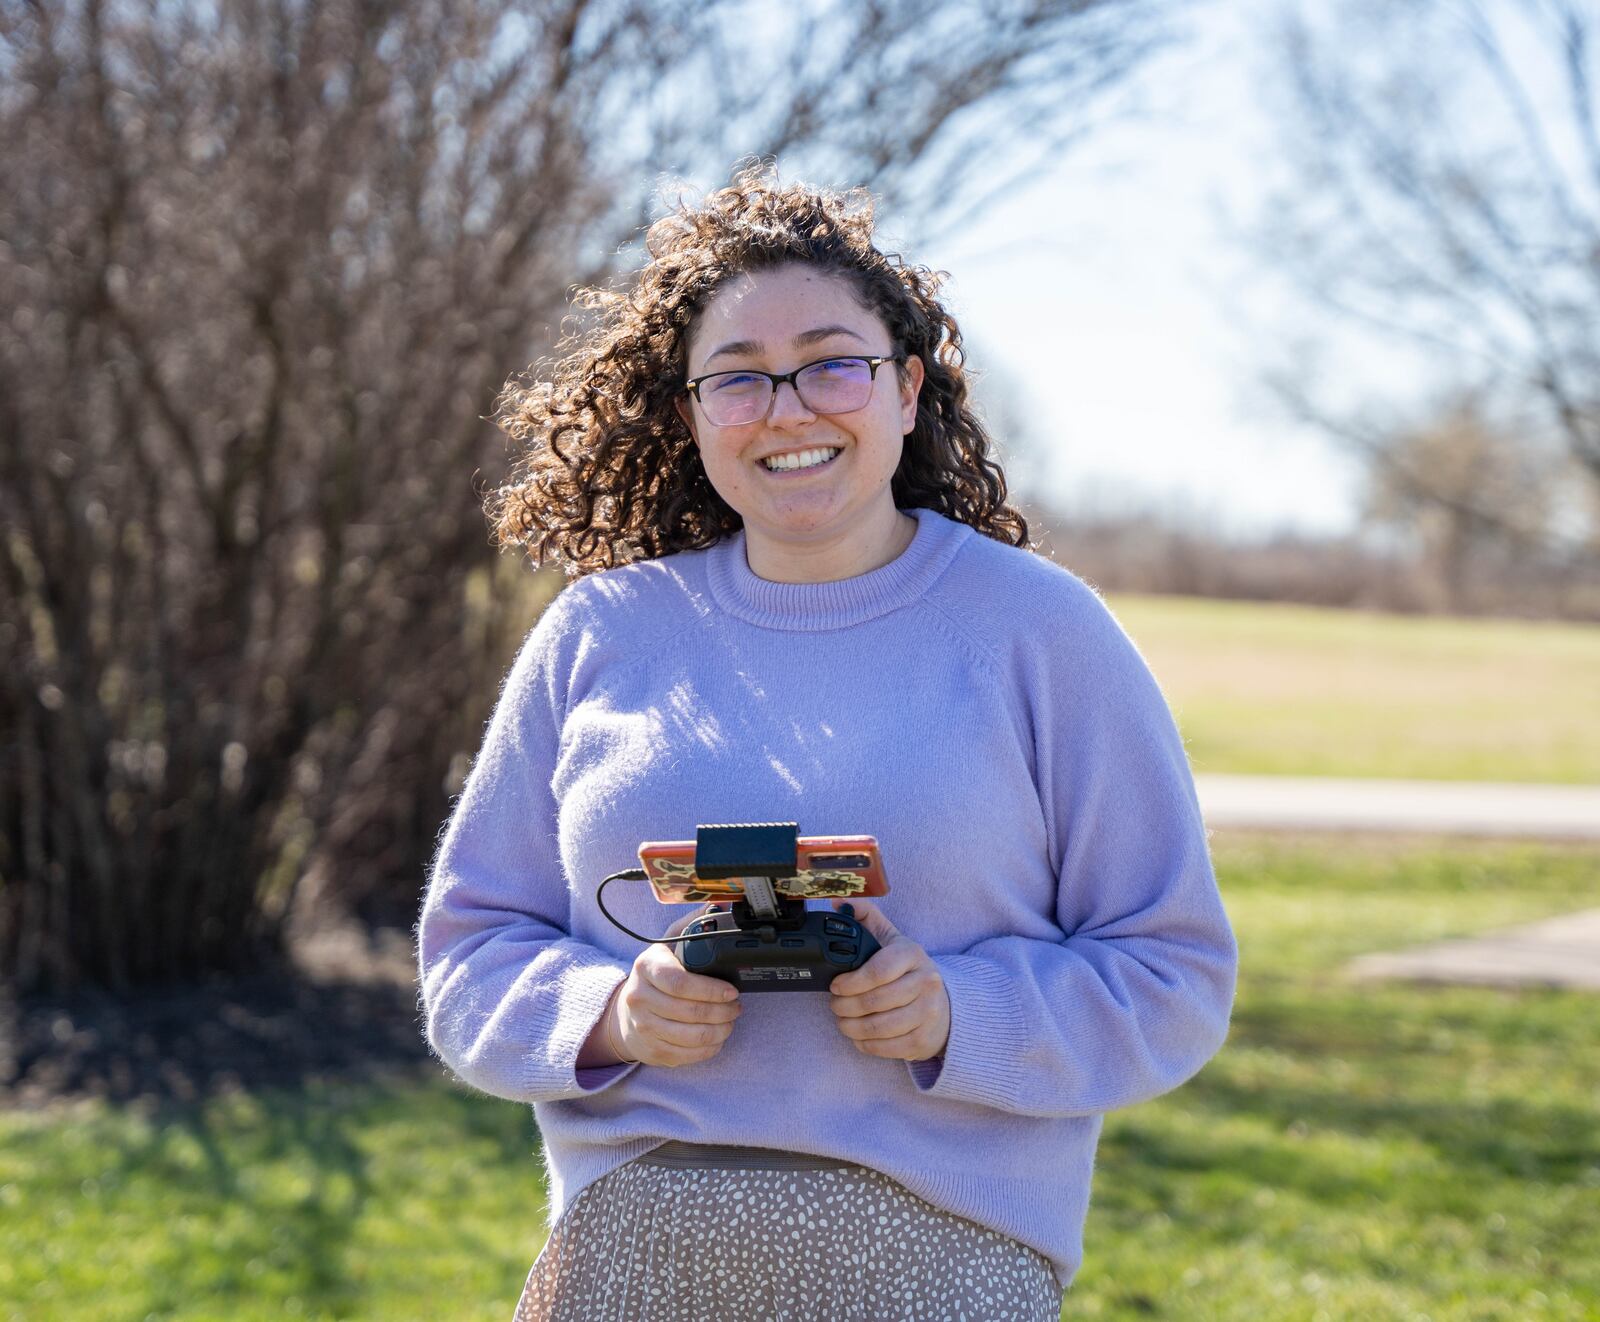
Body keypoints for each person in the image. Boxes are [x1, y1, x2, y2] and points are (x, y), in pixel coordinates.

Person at [415, 163, 1238, 1322]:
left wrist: (961, 1011)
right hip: (627, 1268)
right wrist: (610, 1013)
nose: (789, 406)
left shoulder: (1041, 632)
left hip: (942, 1268)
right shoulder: (598, 633)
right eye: (738, 378)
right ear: (690, 412)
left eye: (830, 362)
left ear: (906, 389)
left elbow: (1172, 973)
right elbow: (468, 952)